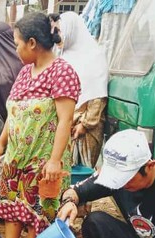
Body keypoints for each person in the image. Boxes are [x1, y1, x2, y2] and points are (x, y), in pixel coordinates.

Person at [0, 12, 79, 238]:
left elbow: (65, 120)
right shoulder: (24, 73)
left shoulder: (62, 72)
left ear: (32, 43)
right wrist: (0, 144)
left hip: (43, 157)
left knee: (40, 204)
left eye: (17, 43)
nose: (16, 49)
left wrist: (54, 159)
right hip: (17, 155)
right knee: (11, 199)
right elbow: (13, 112)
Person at [56, 12, 108, 168]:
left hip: (85, 129)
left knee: (81, 172)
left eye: (61, 30)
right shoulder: (63, 56)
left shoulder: (94, 56)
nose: (58, 36)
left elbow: (98, 96)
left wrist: (85, 125)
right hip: (65, 124)